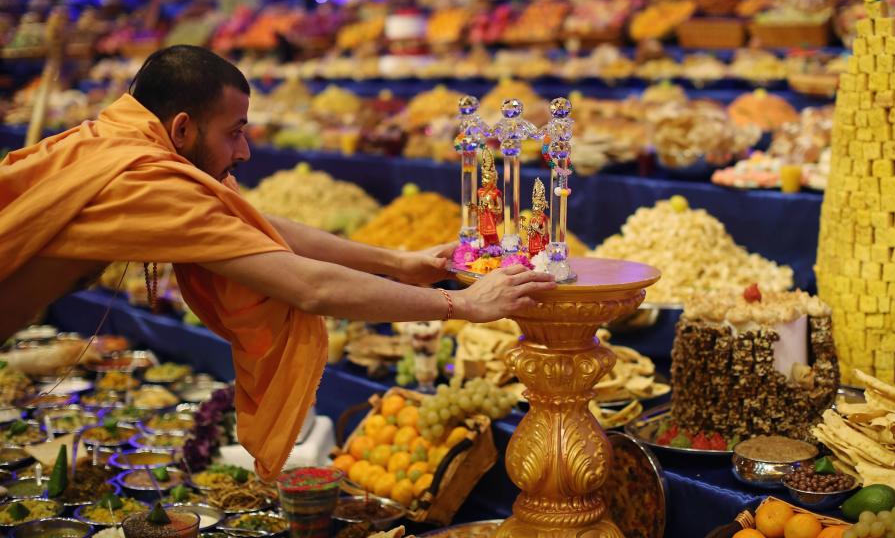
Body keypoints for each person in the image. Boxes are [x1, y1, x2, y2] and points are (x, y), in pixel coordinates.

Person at [0, 45, 556, 479]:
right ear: (183, 129)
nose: (243, 151)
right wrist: (459, 304)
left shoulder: (113, 142)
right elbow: (307, 288)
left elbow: (253, 224)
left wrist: (397, 262)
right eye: (234, 132)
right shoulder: (143, 180)